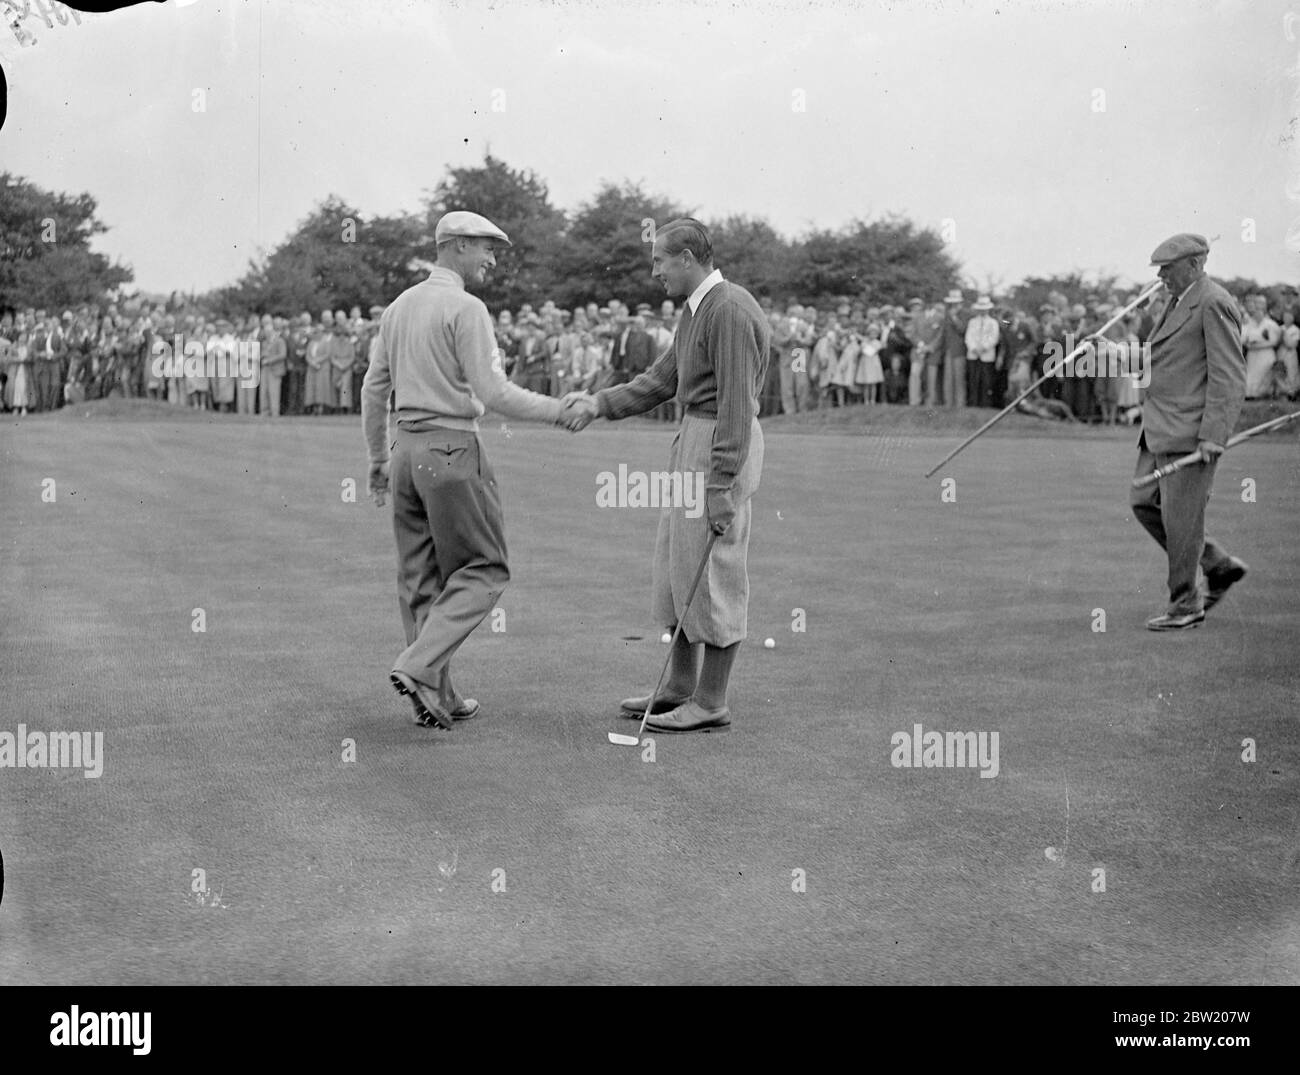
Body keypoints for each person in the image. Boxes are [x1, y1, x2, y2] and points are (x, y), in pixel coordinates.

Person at [361, 210, 578, 730]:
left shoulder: (397, 308)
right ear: (456, 246)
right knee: (485, 569)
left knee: (420, 579)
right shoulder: (466, 307)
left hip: (405, 453)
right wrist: (559, 410)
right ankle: (417, 668)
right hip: (453, 450)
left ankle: (438, 698)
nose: (493, 259)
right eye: (486, 247)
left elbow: (374, 390)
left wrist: (376, 460)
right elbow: (493, 392)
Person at [562, 218, 769, 734]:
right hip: (693, 438)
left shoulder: (729, 309)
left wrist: (721, 485)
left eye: (659, 260)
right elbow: (661, 380)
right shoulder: (696, 310)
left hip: (721, 444)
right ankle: (679, 687)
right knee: (676, 567)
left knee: (713, 570)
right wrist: (599, 402)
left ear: (687, 259)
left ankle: (711, 701)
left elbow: (737, 408)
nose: (654, 271)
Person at [1129, 233, 1247, 631]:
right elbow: (1161, 358)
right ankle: (1217, 565)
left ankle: (1185, 605)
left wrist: (1214, 434)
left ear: (1195, 265)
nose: (1161, 275)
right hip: (1160, 427)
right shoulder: (1177, 301)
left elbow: (1229, 375)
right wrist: (1107, 350)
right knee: (1144, 502)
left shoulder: (1213, 302)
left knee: (1181, 521)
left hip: (1190, 432)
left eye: (1167, 267)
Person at [1241, 295, 1280, 399]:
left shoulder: (1270, 324)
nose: (1257, 314)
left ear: (1264, 312)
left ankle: (1260, 394)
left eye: (1260, 311)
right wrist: (1248, 345)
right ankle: (1249, 395)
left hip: (1265, 354)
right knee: (1249, 378)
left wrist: (1257, 346)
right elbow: (1245, 338)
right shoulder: (1249, 324)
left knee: (1262, 377)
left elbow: (1274, 342)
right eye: (1255, 312)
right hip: (1252, 356)